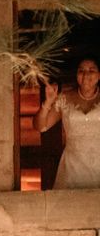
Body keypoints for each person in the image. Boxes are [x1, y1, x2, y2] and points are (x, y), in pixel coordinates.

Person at [34, 57, 100, 189]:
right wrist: (48, 102)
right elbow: (40, 126)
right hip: (72, 168)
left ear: (99, 75)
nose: (86, 74)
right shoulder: (65, 98)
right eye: (81, 71)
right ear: (77, 76)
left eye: (91, 70)